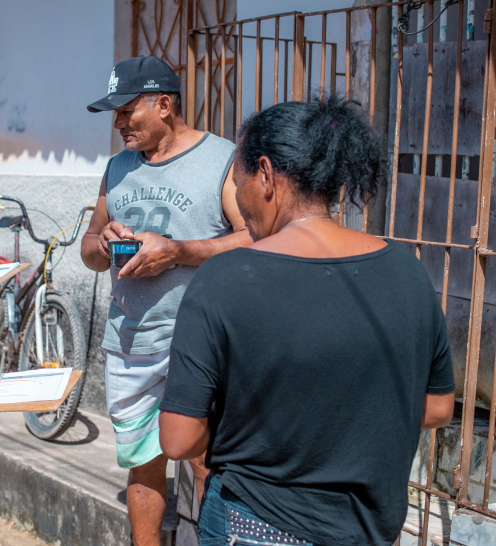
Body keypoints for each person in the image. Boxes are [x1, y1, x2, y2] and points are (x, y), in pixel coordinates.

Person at [159, 98, 455, 546]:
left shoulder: (225, 277)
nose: (237, 202)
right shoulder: (408, 271)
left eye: (237, 184)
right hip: (370, 530)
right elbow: (437, 409)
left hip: (255, 524)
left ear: (264, 174)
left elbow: (179, 439)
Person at [80, 55, 253, 546]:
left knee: (206, 463)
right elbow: (90, 247)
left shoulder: (223, 160)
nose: (118, 124)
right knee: (141, 465)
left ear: (164, 104)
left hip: (200, 341)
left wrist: (177, 252)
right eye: (113, 114)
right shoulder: (117, 168)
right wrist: (105, 242)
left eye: (126, 111)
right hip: (131, 341)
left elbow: (253, 238)